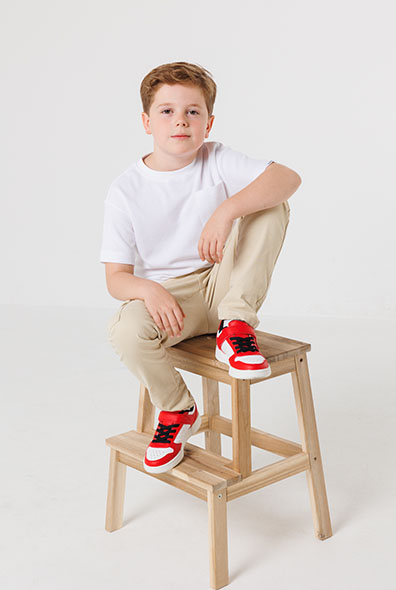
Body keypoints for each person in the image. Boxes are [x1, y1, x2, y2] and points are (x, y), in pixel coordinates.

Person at [99, 61, 302, 475]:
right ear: (146, 122)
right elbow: (115, 279)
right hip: (175, 304)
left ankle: (236, 326)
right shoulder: (125, 191)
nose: (180, 121)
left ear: (208, 124)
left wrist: (226, 211)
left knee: (271, 205)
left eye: (192, 111)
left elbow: (288, 178)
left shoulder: (216, 158)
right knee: (124, 329)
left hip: (226, 285)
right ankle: (177, 410)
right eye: (167, 111)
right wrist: (149, 290)